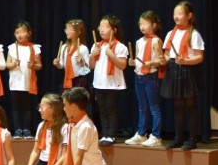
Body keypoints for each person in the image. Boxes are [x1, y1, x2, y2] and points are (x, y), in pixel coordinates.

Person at [54, 87, 121, 165]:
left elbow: (78, 158)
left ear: (74, 107)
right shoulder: (72, 124)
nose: (63, 108)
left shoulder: (85, 127)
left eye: (65, 105)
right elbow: (69, 152)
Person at [160, 1, 205, 150]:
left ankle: (192, 139)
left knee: (191, 105)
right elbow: (167, 55)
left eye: (180, 14)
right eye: (175, 14)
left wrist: (185, 61)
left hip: (188, 70)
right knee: (177, 106)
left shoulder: (194, 34)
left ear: (189, 15)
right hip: (174, 69)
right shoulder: (170, 34)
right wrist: (164, 59)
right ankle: (178, 138)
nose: (176, 17)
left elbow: (199, 57)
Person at [126, 10, 165, 147]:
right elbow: (138, 59)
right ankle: (141, 134)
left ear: (154, 25)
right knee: (142, 108)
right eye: (140, 24)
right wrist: (133, 63)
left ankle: (156, 136)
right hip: (139, 76)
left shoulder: (156, 41)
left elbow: (161, 61)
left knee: (154, 107)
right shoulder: (138, 42)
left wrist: (151, 63)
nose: (142, 26)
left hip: (151, 77)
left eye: (145, 23)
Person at [89, 15, 129, 145]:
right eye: (100, 27)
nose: (101, 29)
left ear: (114, 30)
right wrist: (92, 55)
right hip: (99, 83)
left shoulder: (120, 46)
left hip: (113, 84)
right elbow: (91, 66)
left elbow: (122, 65)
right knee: (102, 109)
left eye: (105, 27)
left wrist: (112, 55)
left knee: (111, 109)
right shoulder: (96, 46)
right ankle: (105, 134)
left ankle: (111, 135)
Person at [19, 93, 67, 165]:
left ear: (53, 109)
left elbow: (64, 156)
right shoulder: (41, 125)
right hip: (42, 163)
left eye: (42, 107)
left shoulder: (64, 127)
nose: (39, 110)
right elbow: (35, 151)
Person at [6, 20, 42, 139]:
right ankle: (17, 129)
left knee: (28, 106)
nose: (20, 35)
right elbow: (7, 64)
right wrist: (13, 64)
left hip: (28, 81)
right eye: (17, 33)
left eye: (22, 32)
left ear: (29, 33)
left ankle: (26, 129)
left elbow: (39, 65)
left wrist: (33, 65)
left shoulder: (34, 48)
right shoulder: (12, 48)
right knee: (16, 107)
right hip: (15, 81)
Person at [52, 19, 91, 92]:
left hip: (79, 80)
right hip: (67, 79)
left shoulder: (83, 48)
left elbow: (88, 69)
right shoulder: (64, 47)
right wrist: (57, 64)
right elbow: (61, 65)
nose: (67, 31)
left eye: (70, 29)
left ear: (78, 32)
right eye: (66, 29)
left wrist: (82, 62)